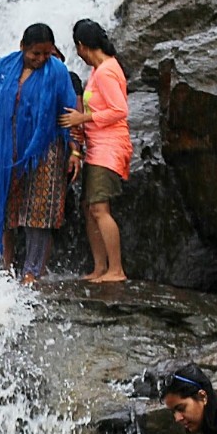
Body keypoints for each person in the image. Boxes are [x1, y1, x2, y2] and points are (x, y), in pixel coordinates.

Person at [0, 23, 83, 284]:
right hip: (6, 149)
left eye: (46, 54)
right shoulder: (5, 67)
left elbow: (70, 112)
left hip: (46, 149)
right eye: (36, 53)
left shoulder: (57, 72)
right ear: (22, 46)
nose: (41, 59)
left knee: (39, 213)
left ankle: (32, 272)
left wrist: (75, 151)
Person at [59, 19, 131, 283]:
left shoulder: (108, 71)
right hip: (96, 148)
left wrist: (82, 119)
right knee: (90, 209)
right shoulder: (99, 71)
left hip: (109, 148)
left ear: (82, 46)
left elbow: (120, 110)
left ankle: (116, 270)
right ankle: (100, 267)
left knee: (100, 209)